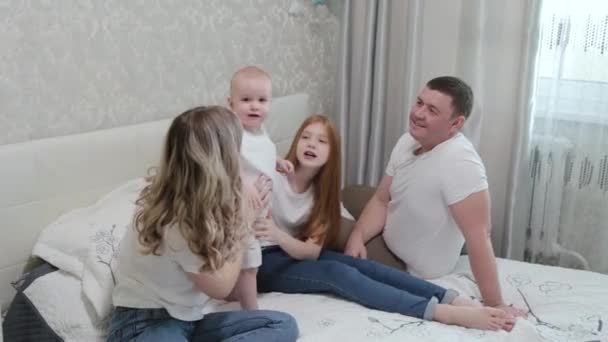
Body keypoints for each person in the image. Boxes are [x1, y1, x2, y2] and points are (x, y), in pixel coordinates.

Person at [254, 114, 515, 331]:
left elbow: (310, 252)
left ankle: (452, 298)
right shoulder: (271, 175)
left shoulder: (323, 196)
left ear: (331, 153)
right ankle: (441, 312)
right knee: (338, 273)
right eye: (306, 137)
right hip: (261, 262)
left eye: (321, 141)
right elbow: (237, 156)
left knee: (359, 266)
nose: (311, 144)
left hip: (288, 250)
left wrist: (279, 236)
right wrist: (266, 160)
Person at [107, 106, 299, 342]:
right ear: (222, 160)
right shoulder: (177, 218)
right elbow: (221, 288)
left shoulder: (202, 201)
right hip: (145, 324)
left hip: (187, 319)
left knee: (281, 324)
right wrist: (245, 222)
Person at [344, 76, 527, 318]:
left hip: (404, 262)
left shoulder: (461, 162)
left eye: (431, 110)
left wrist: (495, 304)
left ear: (456, 123)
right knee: (350, 193)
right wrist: (358, 235)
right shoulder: (409, 140)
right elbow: (381, 199)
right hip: (394, 224)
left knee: (330, 228)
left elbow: (479, 236)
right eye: (419, 103)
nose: (418, 113)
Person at [225, 66, 293, 310]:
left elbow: (261, 154)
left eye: (262, 100)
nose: (255, 106)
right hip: (241, 210)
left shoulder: (260, 131)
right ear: (231, 103)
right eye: (246, 100)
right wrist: (244, 186)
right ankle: (250, 310)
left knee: (250, 260)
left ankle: (233, 292)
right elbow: (225, 164)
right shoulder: (233, 133)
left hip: (260, 210)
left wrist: (279, 162)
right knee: (250, 263)